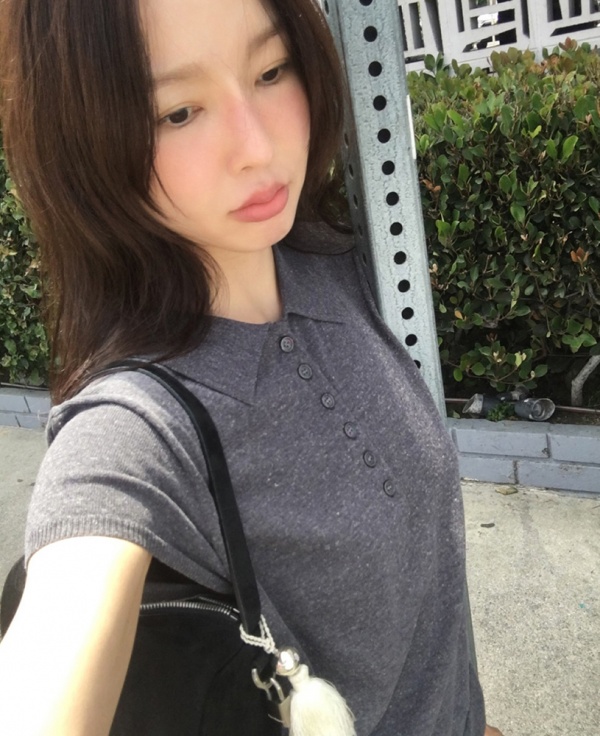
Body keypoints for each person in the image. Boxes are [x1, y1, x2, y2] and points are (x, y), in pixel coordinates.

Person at [0, 0, 504, 734]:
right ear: (85, 145)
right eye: (178, 112)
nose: (257, 145)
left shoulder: (336, 260)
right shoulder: (135, 428)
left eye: (272, 70)